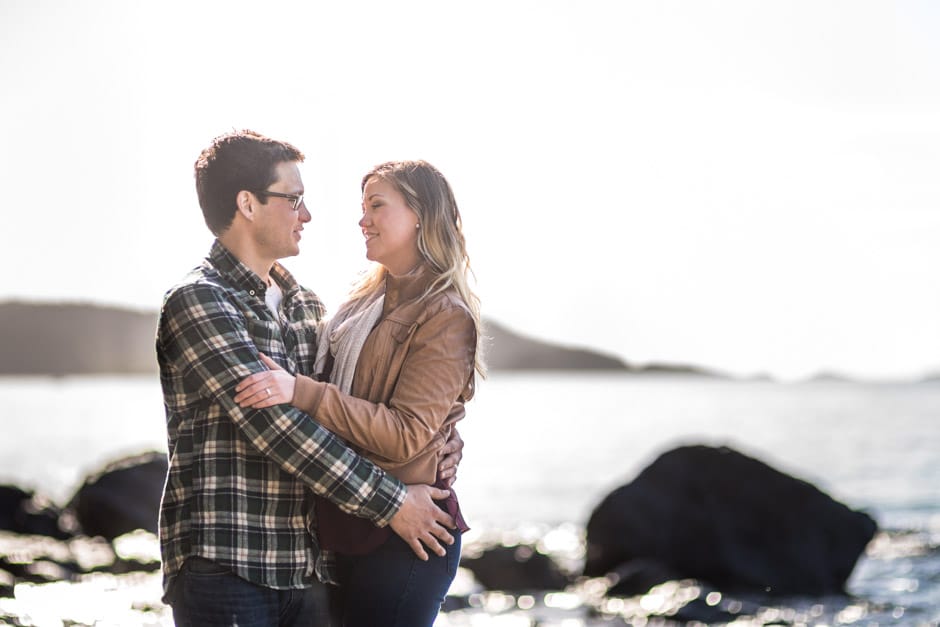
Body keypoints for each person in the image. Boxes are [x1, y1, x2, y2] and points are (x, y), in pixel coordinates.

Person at [156, 131, 464, 627]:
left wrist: (437, 437)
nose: (307, 214)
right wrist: (394, 503)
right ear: (248, 204)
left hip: (310, 569)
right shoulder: (199, 301)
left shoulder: (308, 307)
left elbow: (350, 405)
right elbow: (281, 430)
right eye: (294, 199)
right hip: (229, 566)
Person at [233, 160, 483, 626]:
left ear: (420, 216)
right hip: (347, 527)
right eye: (363, 207)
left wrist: (302, 393)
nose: (362, 219)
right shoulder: (358, 306)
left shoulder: (444, 314)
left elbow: (406, 435)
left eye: (377, 206)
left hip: (406, 540)